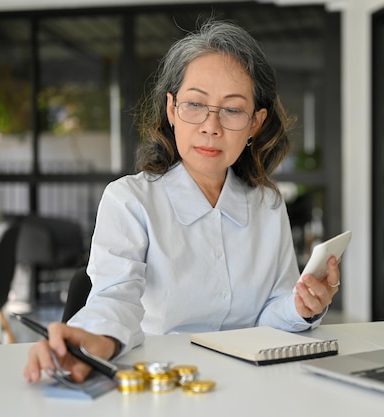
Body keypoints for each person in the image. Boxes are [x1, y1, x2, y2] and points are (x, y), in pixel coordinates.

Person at [23, 19, 341, 383]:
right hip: (163, 384)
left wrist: (300, 307)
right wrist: (94, 341)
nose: (211, 126)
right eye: (195, 104)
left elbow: (269, 315)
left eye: (233, 110)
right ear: (172, 109)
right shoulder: (130, 201)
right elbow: (114, 299)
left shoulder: (267, 205)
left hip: (251, 385)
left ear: (255, 123)